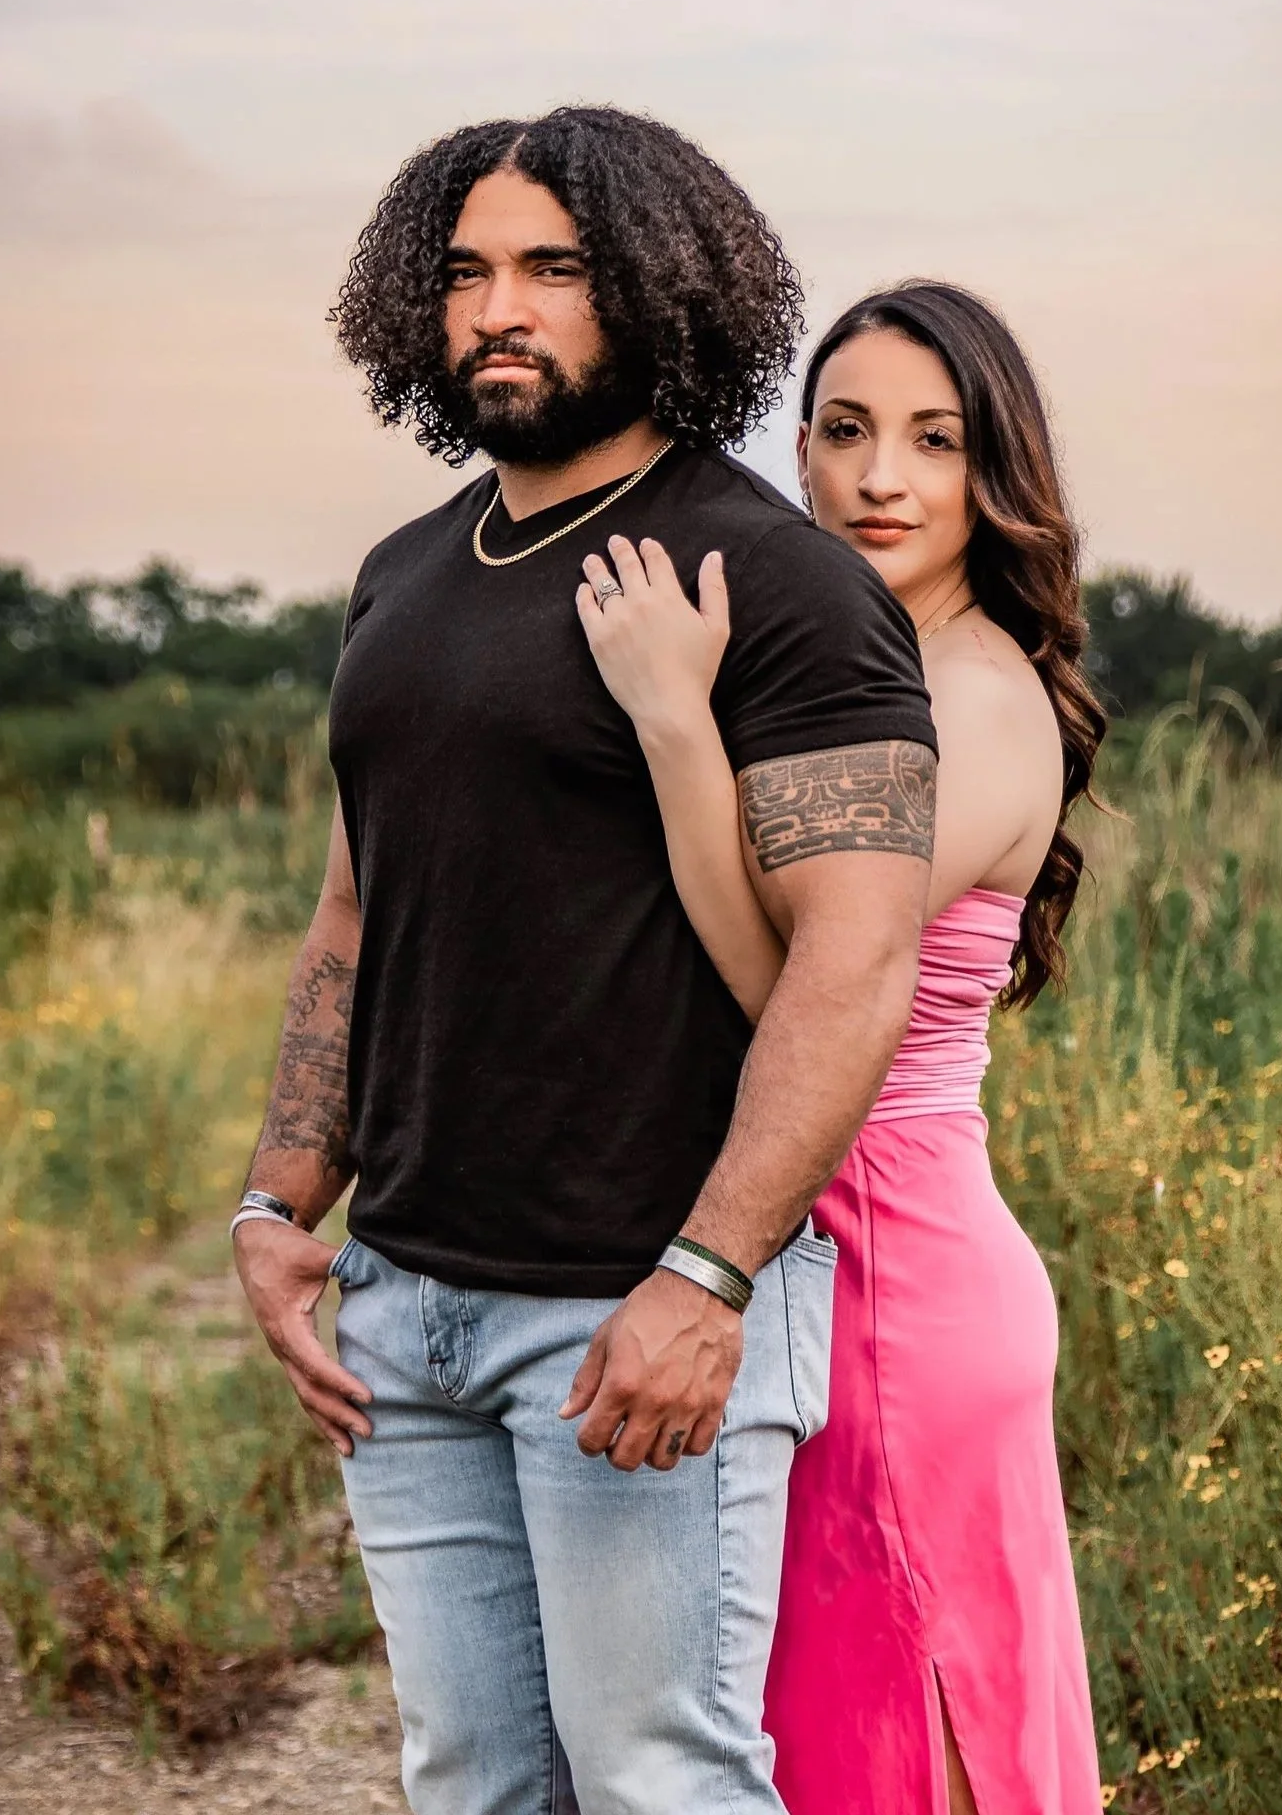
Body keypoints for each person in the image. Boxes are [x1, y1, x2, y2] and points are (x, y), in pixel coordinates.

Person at [230, 108, 943, 1814]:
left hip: (638, 1306)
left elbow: (856, 971)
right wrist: (277, 1203)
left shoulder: (780, 584)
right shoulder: (401, 579)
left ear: (659, 294)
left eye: (554, 269)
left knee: (660, 1781)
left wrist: (709, 1280)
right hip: (407, 1310)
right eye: (468, 271)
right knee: (471, 1781)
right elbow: (355, 916)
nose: (501, 308)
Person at [573, 280, 1106, 1813]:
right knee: (813, 1721)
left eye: (934, 442)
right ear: (794, 455)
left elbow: (794, 984)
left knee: (891, 1739)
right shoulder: (863, 672)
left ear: (993, 477)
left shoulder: (968, 694)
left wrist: (676, 726)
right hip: (844, 1251)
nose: (880, 478)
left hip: (892, 1280)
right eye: (845, 431)